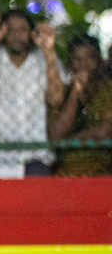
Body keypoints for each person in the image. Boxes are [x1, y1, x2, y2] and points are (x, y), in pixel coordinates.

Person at [0, 9, 67, 178]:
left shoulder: (43, 57)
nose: (17, 35)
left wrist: (48, 51)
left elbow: (56, 98)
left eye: (22, 30)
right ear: (2, 32)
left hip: (36, 156)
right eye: (11, 30)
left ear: (31, 33)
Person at [51, 35, 112, 175]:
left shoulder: (108, 89)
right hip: (65, 173)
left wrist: (67, 142)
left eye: (90, 58)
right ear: (69, 64)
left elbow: (105, 131)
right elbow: (56, 136)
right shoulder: (60, 93)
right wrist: (75, 94)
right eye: (78, 60)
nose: (84, 64)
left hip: (102, 172)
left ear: (100, 61)